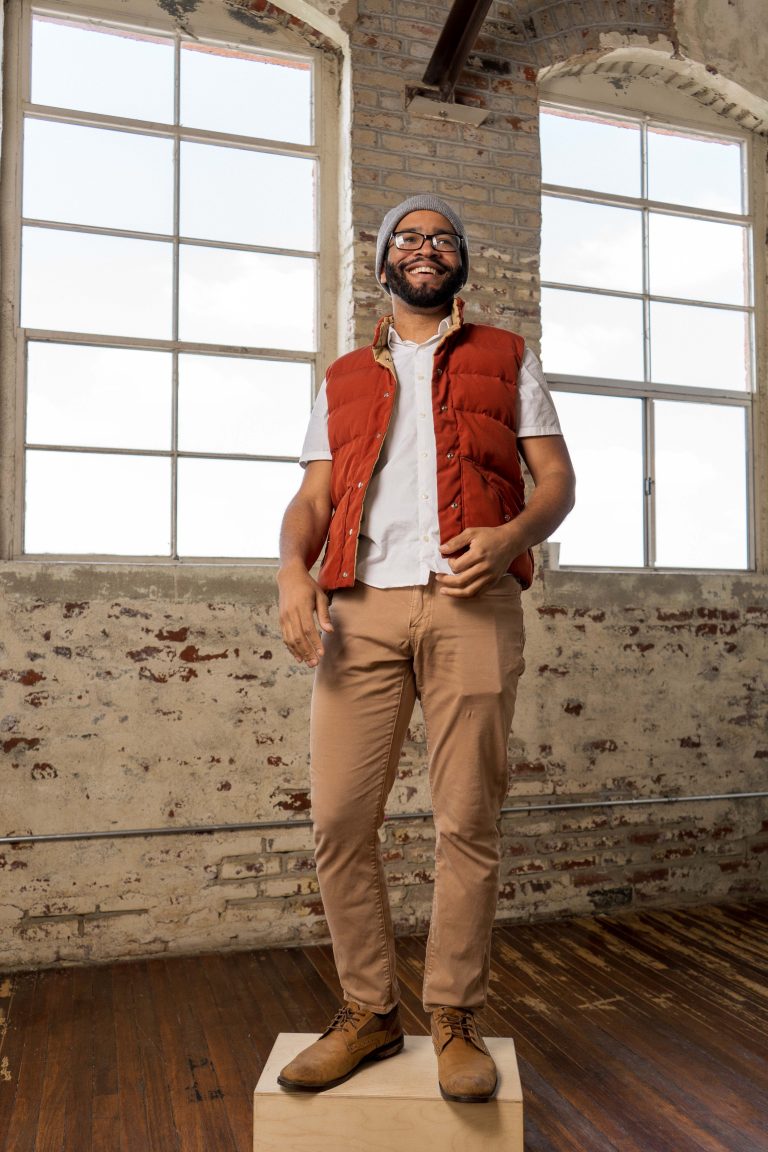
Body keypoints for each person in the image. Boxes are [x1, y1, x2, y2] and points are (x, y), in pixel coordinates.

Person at [276, 194, 575, 1103]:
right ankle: (369, 1013)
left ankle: (453, 1017)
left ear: (460, 262)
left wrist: (514, 535)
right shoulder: (341, 377)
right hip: (358, 610)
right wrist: (292, 571)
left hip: (470, 606)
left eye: (443, 237)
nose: (425, 247)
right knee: (338, 821)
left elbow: (557, 482)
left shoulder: (505, 357)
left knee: (466, 822)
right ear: (382, 260)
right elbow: (315, 498)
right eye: (408, 237)